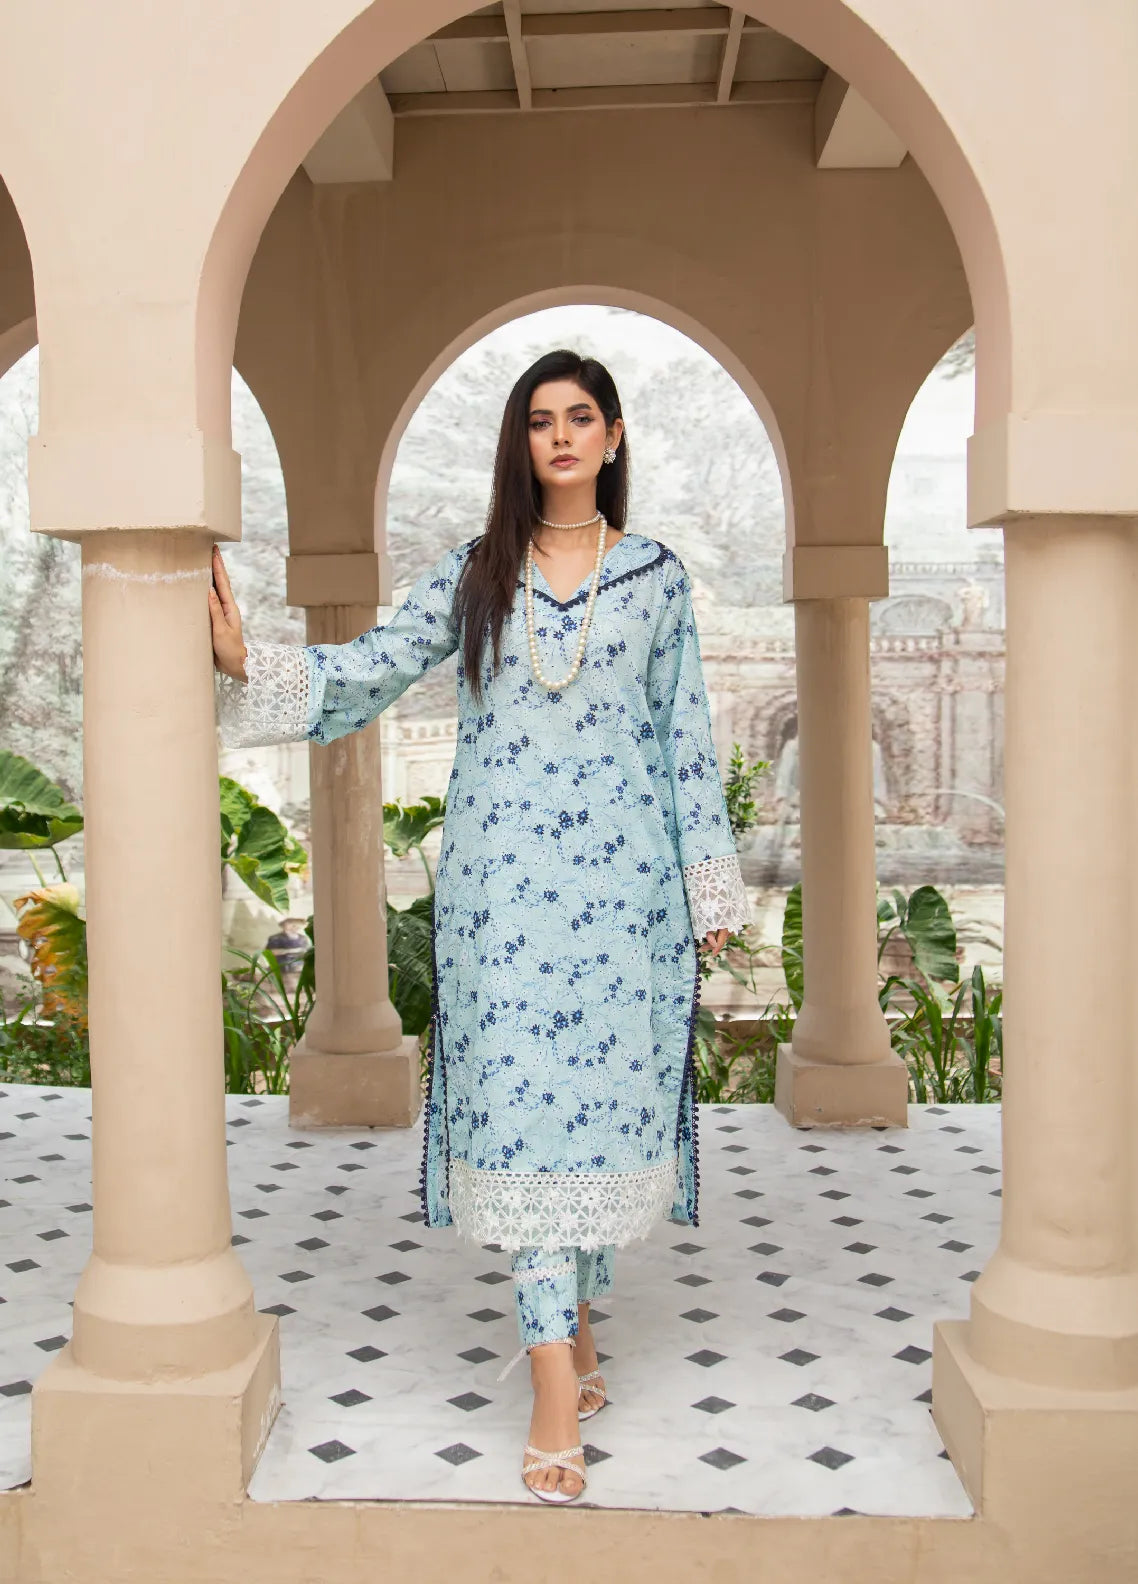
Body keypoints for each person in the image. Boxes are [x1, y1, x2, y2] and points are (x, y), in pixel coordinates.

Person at [210, 348, 751, 1504]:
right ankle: (551, 1378)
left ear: (612, 438)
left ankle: (578, 1324)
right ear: (520, 442)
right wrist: (249, 661)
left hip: (623, 903)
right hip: (501, 902)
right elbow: (371, 670)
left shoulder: (654, 579)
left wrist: (706, 888)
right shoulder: (476, 572)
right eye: (539, 419)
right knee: (520, 1114)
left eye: (580, 417)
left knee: (594, 1113)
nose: (560, 436)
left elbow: (684, 739)